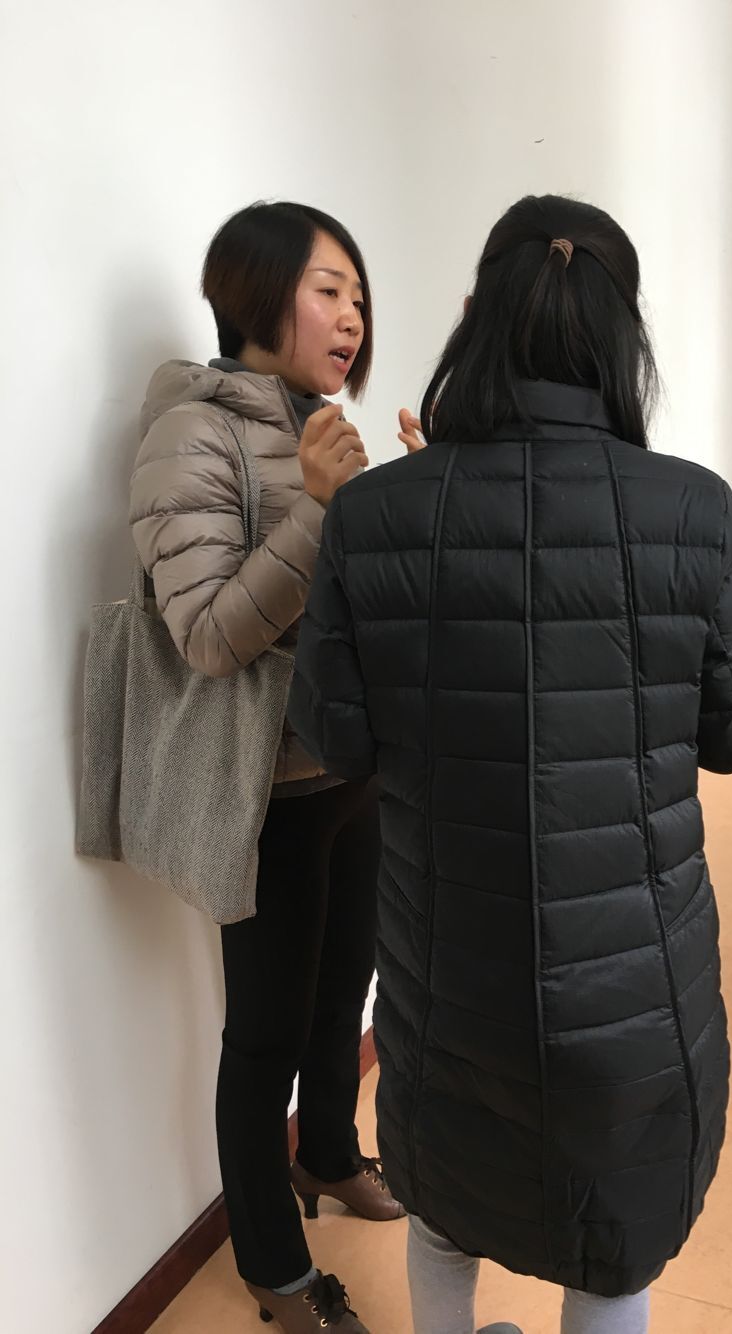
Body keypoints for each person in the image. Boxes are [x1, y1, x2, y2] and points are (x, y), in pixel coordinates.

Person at [288, 194, 732, 1334]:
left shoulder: (372, 516)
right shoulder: (696, 511)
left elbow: (336, 737)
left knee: (441, 1205)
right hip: (633, 977)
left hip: (446, 965)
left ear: (476, 313)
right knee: (612, 1244)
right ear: (623, 331)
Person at [129, 202, 404, 1334]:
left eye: (357, 295)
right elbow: (207, 635)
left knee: (347, 992)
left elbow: (354, 604)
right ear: (255, 291)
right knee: (264, 1036)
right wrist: (325, 508)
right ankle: (274, 1267)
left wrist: (416, 499)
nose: (350, 316)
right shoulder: (188, 436)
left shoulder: (321, 426)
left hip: (350, 767)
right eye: (327, 289)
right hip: (268, 793)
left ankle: (329, 1153)